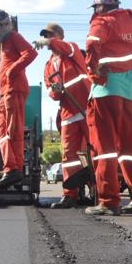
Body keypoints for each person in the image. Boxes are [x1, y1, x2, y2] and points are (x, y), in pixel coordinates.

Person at [83, 0, 132, 215]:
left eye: (96, 8)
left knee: (104, 148)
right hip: (127, 90)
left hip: (105, 89)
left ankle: (108, 201)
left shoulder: (102, 22)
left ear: (101, 7)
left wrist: (94, 72)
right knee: (130, 148)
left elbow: (92, 45)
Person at [33, 22, 91, 208]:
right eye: (45, 36)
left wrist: (47, 41)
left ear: (59, 36)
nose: (48, 40)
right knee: (69, 156)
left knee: (96, 151)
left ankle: (101, 192)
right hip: (67, 112)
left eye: (50, 36)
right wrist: (56, 91)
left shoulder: (71, 49)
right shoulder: (48, 65)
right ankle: (70, 194)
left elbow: (63, 47)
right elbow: (50, 91)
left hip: (87, 107)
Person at [0, 9, 38, 189]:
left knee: (11, 131)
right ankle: (12, 168)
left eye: (0, 24)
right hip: (7, 91)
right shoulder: (4, 43)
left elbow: (31, 53)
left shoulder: (14, 37)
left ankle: (12, 169)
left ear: (7, 24)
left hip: (14, 90)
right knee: (2, 130)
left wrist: (12, 70)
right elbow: (10, 63)